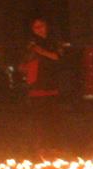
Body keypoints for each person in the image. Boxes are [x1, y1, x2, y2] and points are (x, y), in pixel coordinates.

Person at [24, 17, 64, 155]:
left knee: (53, 119)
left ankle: (54, 146)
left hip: (52, 83)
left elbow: (57, 56)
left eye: (41, 26)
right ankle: (41, 147)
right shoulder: (30, 44)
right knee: (39, 119)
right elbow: (26, 60)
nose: (39, 29)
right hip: (37, 85)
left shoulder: (53, 41)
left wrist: (41, 51)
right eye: (36, 27)